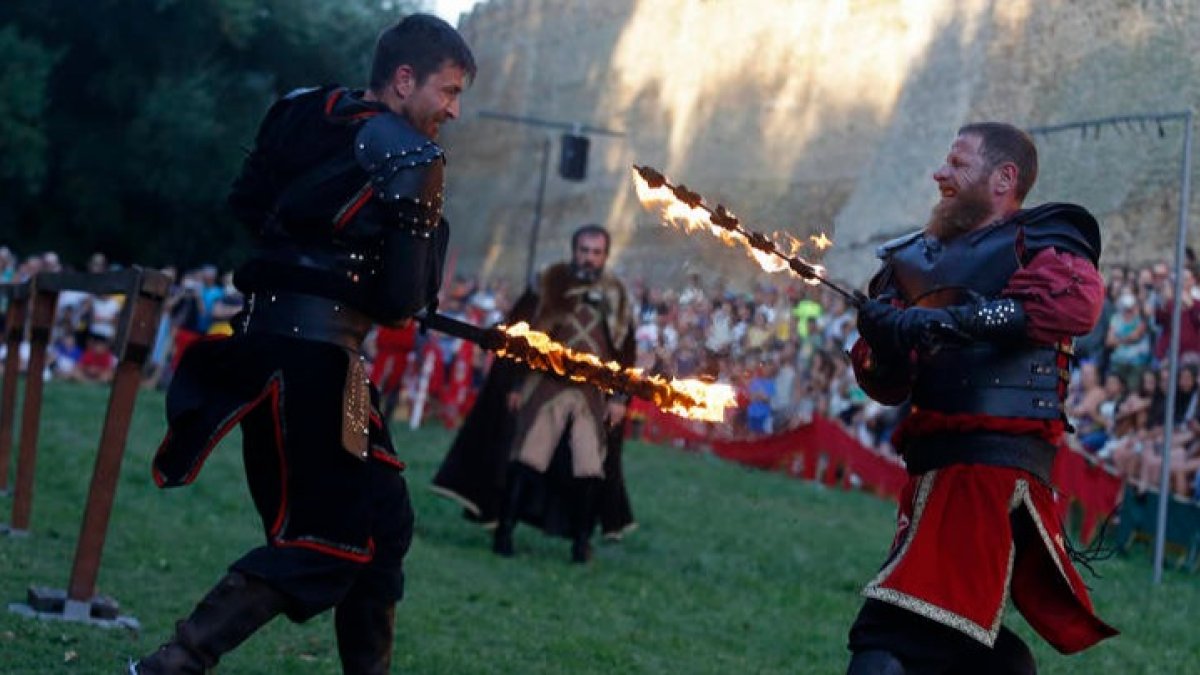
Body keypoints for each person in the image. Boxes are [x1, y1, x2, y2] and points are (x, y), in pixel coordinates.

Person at [132, 14, 475, 675]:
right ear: (405, 80)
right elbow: (400, 303)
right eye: (449, 91)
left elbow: (248, 203)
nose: (454, 111)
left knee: (384, 523)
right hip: (315, 362)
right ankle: (168, 666)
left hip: (275, 342)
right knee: (327, 541)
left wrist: (313, 258)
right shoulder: (412, 156)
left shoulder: (298, 111)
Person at [846, 122, 1118, 673]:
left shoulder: (1040, 241)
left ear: (1004, 178)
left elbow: (1073, 306)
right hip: (933, 475)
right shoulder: (912, 260)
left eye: (958, 163)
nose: (940, 174)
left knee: (887, 633)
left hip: (991, 475)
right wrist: (886, 338)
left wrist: (947, 321)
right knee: (964, 646)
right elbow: (887, 382)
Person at [492, 224, 637, 563]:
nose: (589, 258)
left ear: (605, 255)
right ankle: (504, 532)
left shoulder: (616, 293)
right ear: (574, 250)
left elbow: (625, 352)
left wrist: (619, 398)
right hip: (547, 385)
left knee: (589, 467)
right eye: (584, 250)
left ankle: (580, 542)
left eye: (596, 252)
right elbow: (519, 334)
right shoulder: (550, 280)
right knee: (528, 459)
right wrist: (515, 383)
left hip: (591, 394)